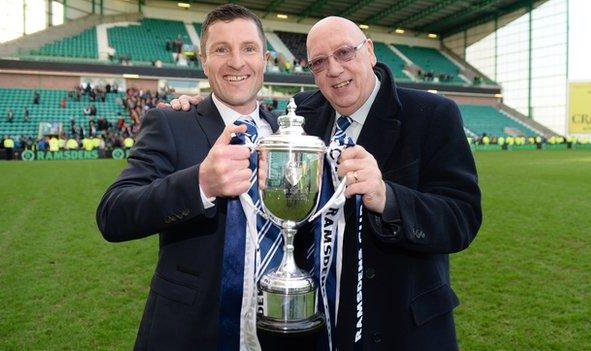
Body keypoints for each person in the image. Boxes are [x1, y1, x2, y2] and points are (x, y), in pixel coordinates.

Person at [169, 15, 482, 350]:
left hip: (401, 328)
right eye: (319, 62)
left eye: (345, 53)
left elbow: (461, 218)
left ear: (370, 52)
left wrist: (387, 197)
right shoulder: (304, 112)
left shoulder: (432, 114)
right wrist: (196, 110)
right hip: (319, 325)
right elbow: (249, 124)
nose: (333, 70)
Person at [96, 5, 284, 350]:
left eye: (248, 48)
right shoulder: (171, 122)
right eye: (221, 49)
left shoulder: (288, 131)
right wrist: (200, 184)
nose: (237, 62)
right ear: (203, 61)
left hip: (278, 328)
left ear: (265, 59)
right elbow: (113, 213)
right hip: (192, 332)